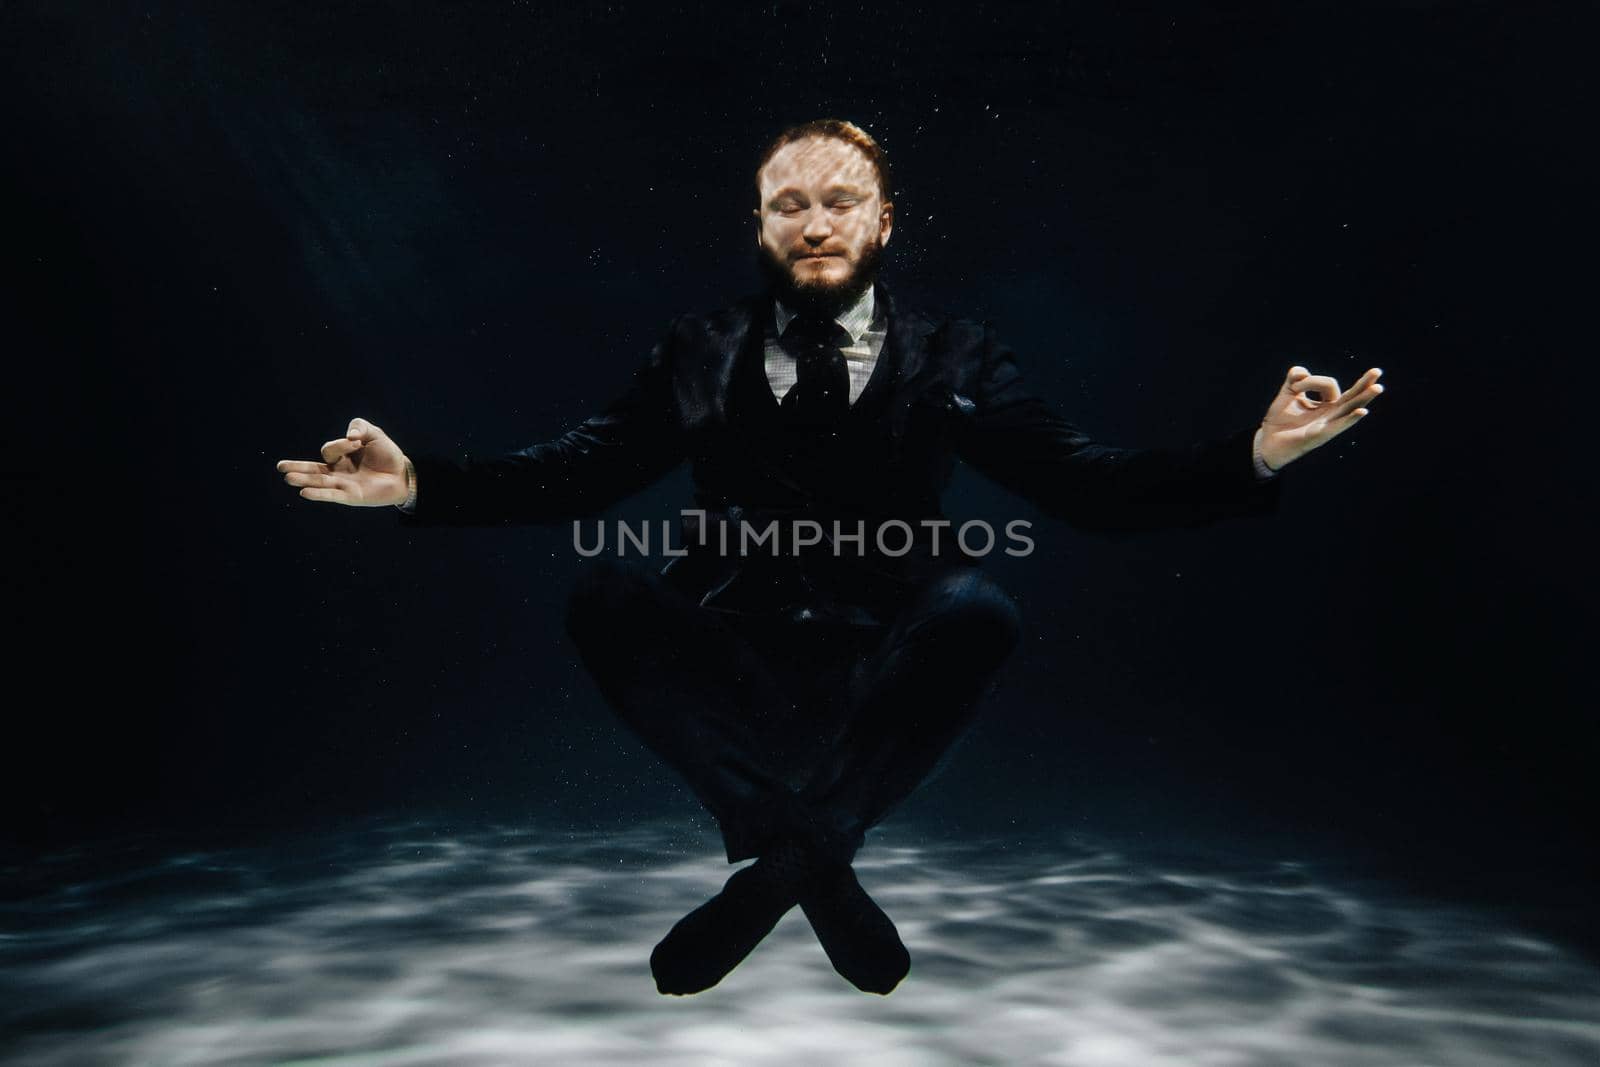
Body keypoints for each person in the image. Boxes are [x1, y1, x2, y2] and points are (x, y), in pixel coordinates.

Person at [276, 118, 1384, 997]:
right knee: (602, 592)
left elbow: (1085, 484)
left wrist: (1251, 456)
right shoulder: (698, 349)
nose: (815, 221)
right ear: (758, 226)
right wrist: (419, 481)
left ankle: (780, 866)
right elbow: (579, 472)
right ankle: (808, 854)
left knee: (980, 610)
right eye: (788, 204)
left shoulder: (956, 353)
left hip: (884, 671)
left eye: (839, 200)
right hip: (730, 663)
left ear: (886, 221)